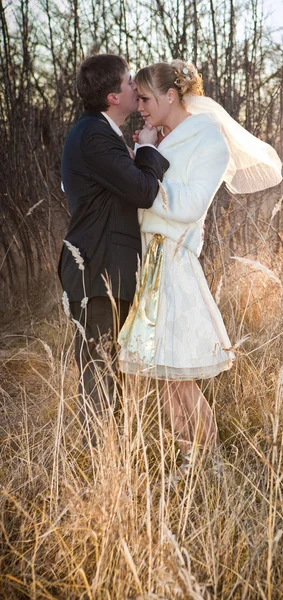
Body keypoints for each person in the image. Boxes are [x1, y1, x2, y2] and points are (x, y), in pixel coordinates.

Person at [117, 60, 282, 474]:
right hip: (150, 260)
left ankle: (212, 461)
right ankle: (192, 459)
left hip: (173, 262)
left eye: (146, 98)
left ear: (170, 96)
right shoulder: (164, 136)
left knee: (180, 376)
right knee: (164, 376)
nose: (139, 106)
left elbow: (190, 206)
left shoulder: (210, 140)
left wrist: (146, 170)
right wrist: (147, 153)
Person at [59, 54, 169, 445]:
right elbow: (141, 190)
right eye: (127, 83)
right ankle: (100, 464)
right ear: (111, 96)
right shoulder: (93, 134)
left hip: (109, 268)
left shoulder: (100, 132)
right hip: (97, 269)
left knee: (109, 370)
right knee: (100, 373)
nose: (135, 89)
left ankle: (113, 460)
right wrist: (149, 151)